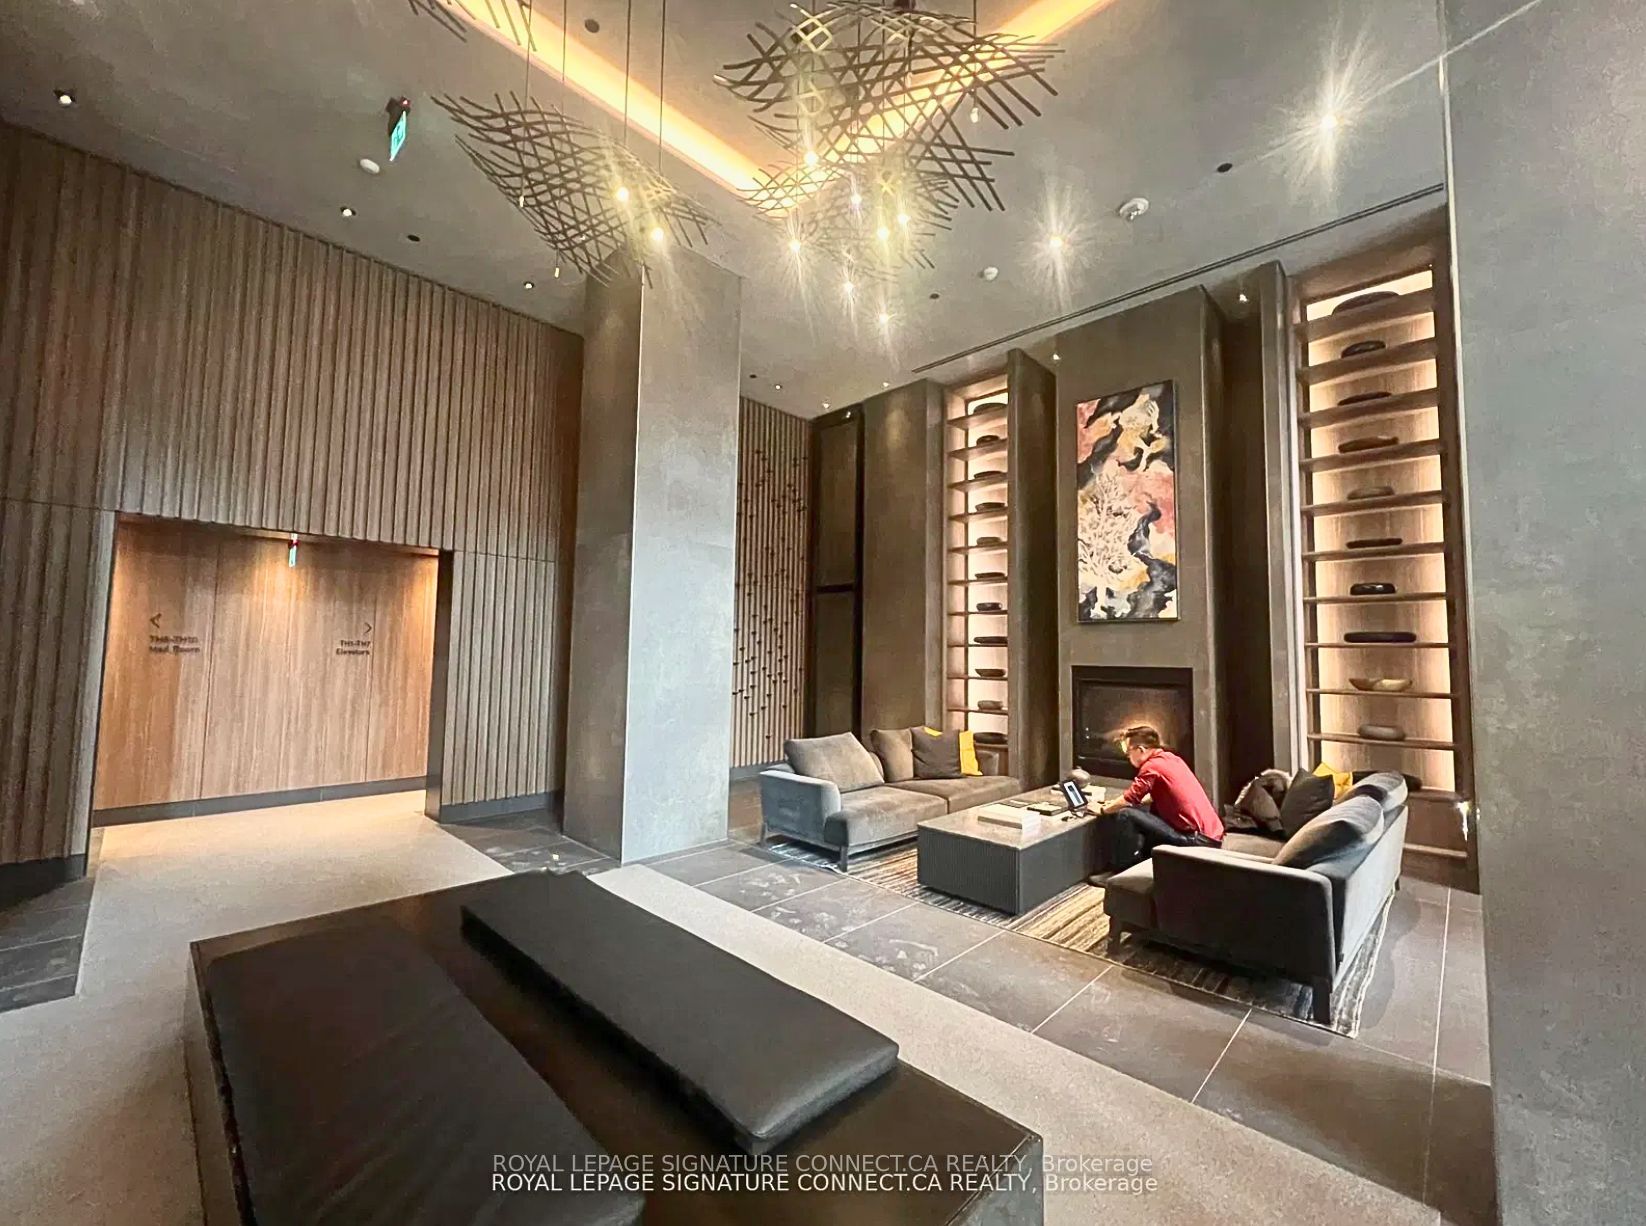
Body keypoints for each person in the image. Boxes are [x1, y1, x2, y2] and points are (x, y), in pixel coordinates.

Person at [1092, 725, 1223, 875]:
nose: (1128, 757)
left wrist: (1102, 810)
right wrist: (1115, 803)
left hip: (1197, 841)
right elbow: (1156, 795)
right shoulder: (1171, 759)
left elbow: (1130, 799)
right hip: (1212, 837)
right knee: (1151, 812)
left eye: (1128, 752)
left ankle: (1120, 872)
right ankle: (1145, 862)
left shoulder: (1151, 767)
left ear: (1140, 750)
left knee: (1126, 814)